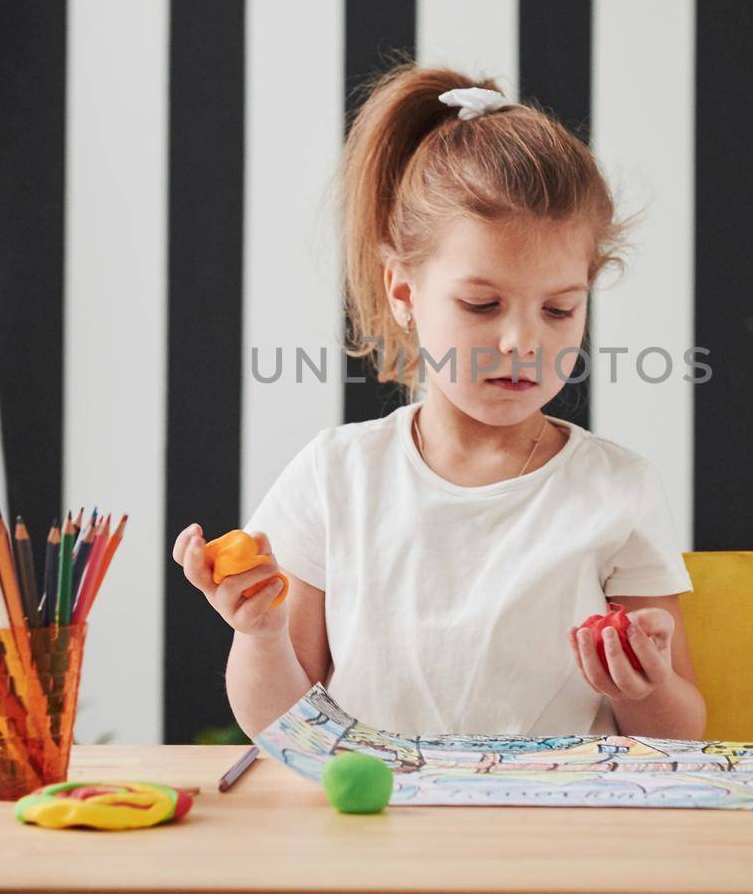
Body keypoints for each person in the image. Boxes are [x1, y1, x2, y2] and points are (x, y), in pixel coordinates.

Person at [172, 60, 704, 740]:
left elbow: (681, 735)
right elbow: (283, 730)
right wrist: (263, 633)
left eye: (559, 309)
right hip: (379, 833)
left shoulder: (618, 490)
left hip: (558, 835)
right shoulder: (338, 477)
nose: (522, 342)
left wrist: (646, 686)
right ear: (403, 294)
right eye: (482, 304)